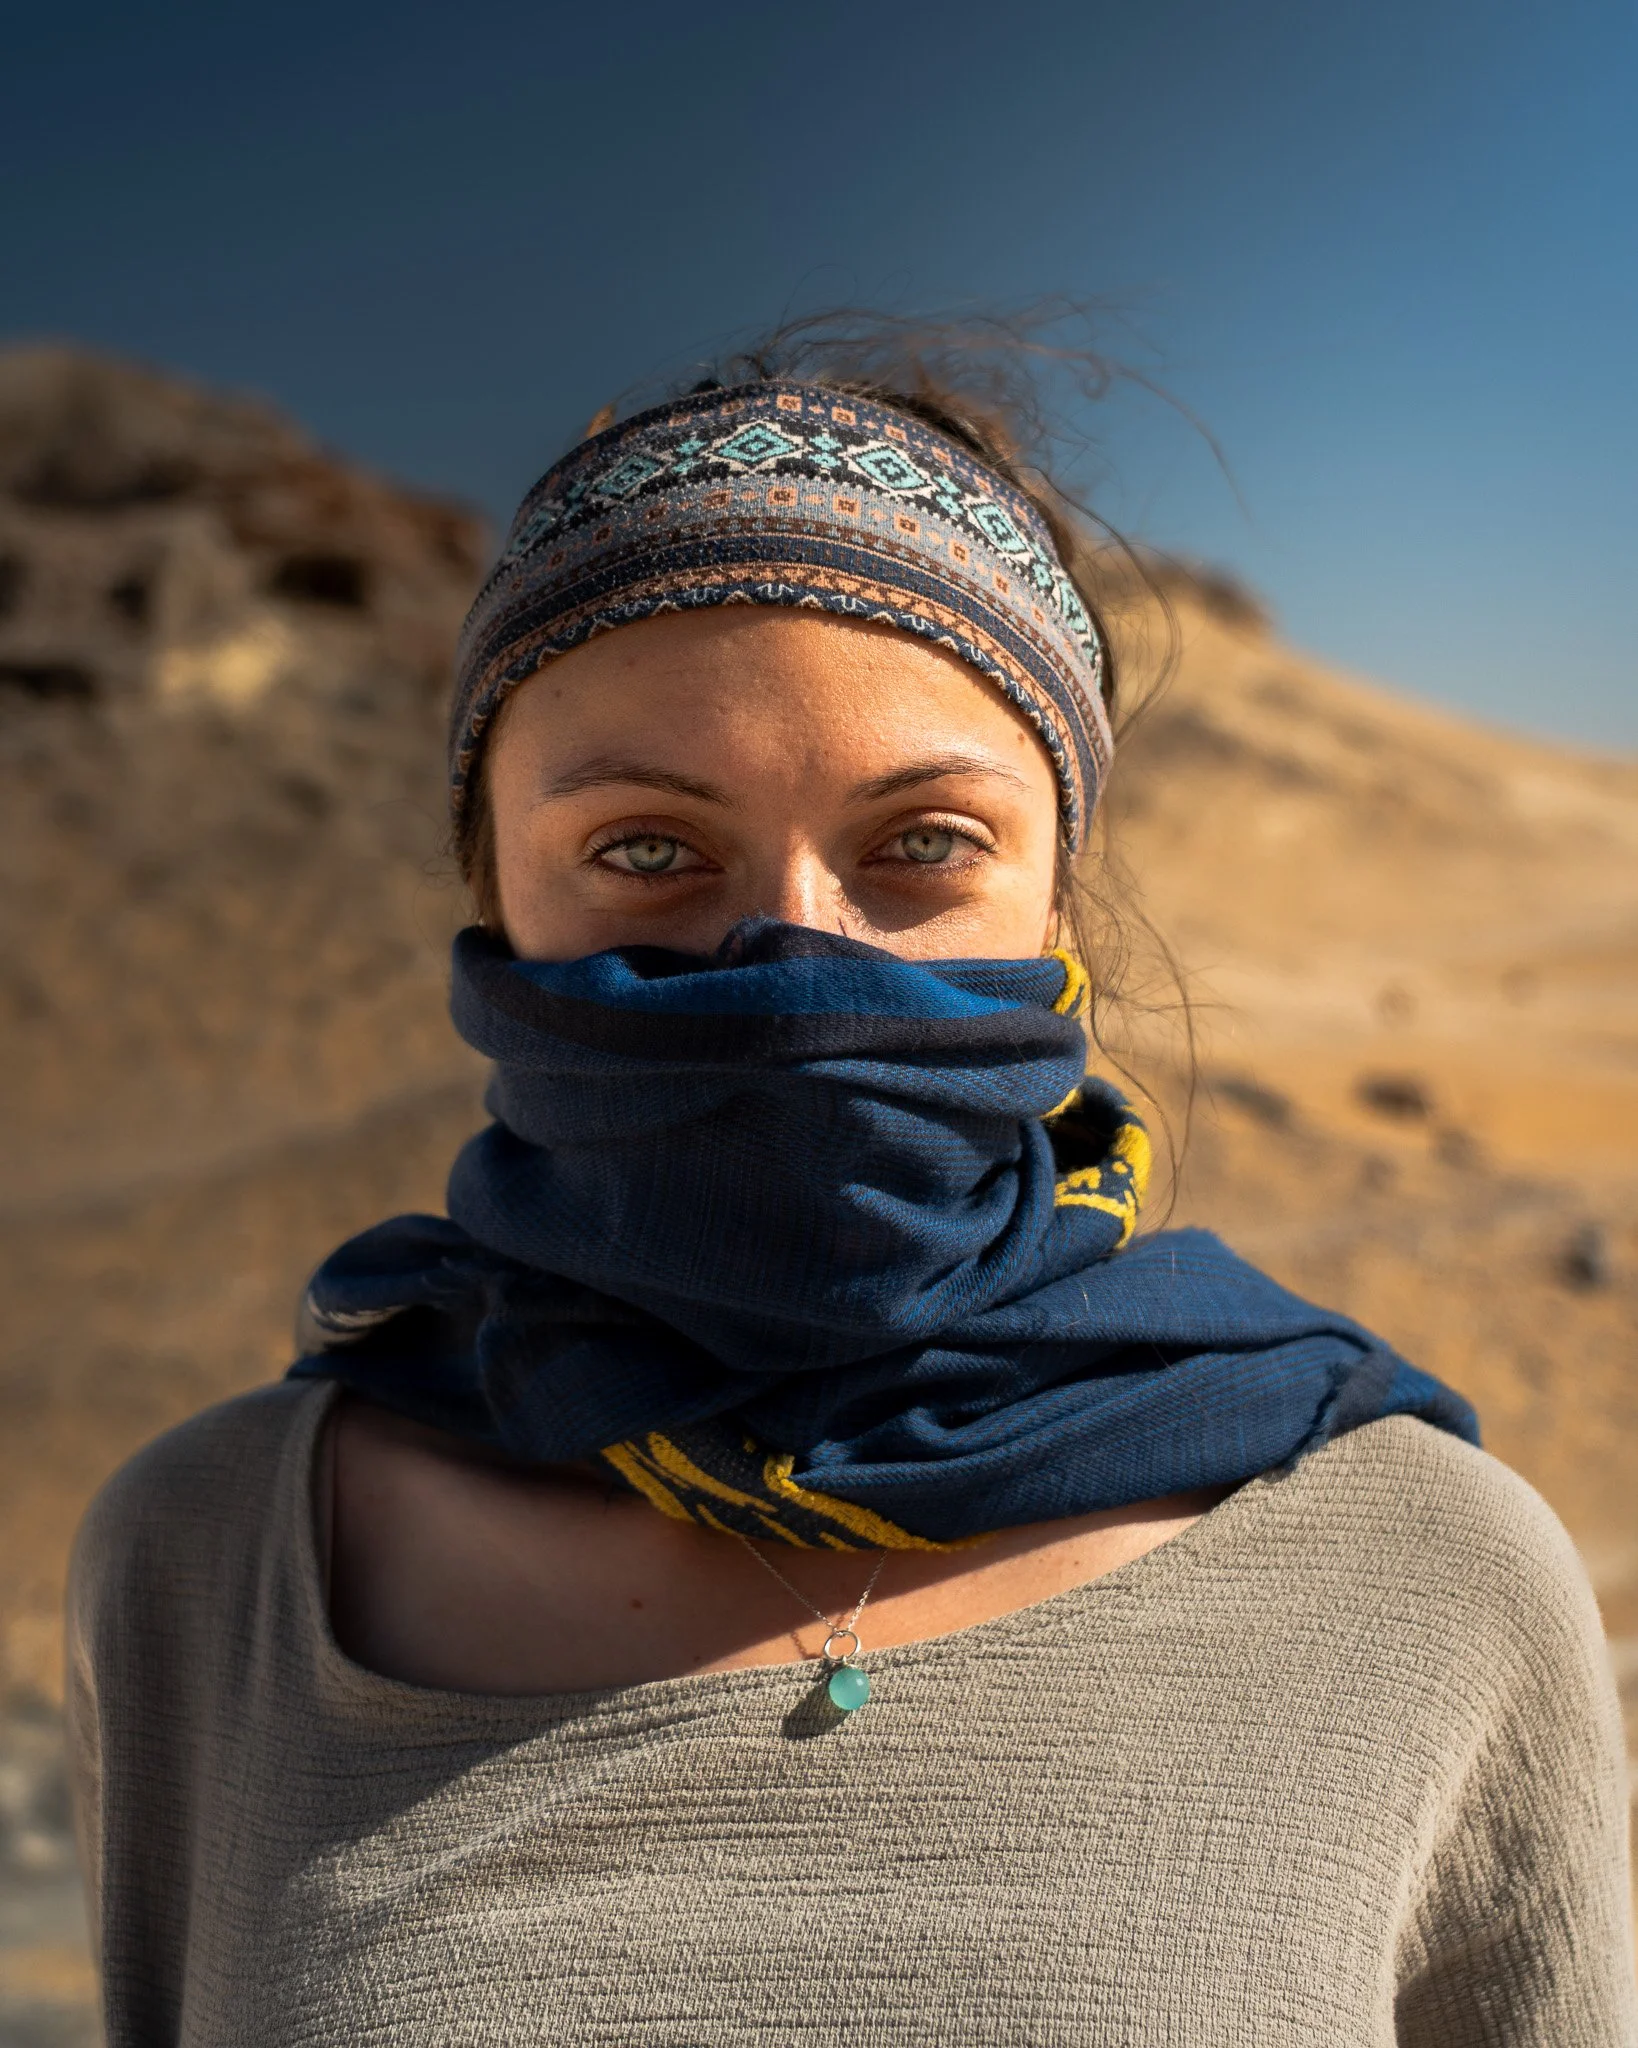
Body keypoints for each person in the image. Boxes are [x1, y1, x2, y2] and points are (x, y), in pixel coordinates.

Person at [67, 336, 1635, 2046]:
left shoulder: (1418, 1572)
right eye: (648, 851)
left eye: (921, 846)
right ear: (493, 894)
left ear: (1055, 905)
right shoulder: (213, 1563)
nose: (800, 958)